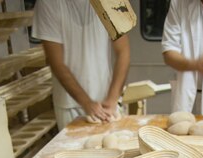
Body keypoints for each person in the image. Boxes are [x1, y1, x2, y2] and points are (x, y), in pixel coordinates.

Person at [32, 0, 130, 130]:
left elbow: (123, 52)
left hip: (107, 102)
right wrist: (86, 103)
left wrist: (112, 99)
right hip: (70, 105)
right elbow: (57, 63)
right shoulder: (48, 3)